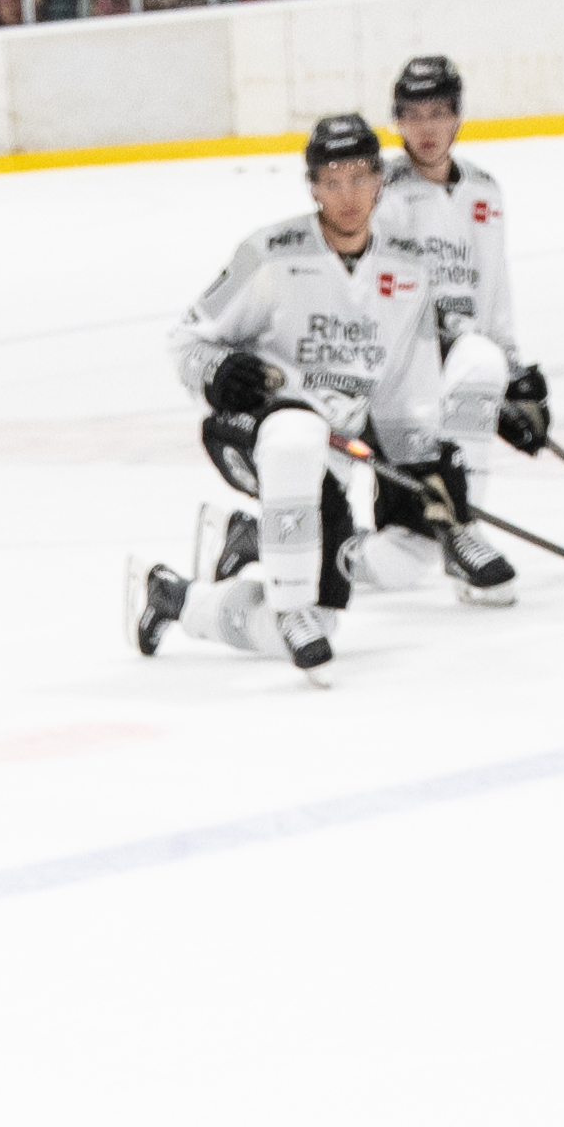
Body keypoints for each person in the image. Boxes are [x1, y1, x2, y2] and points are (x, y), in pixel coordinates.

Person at [128, 112, 524, 675]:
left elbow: (403, 397)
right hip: (254, 432)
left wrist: (430, 466)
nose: (348, 195)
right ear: (312, 185)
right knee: (296, 436)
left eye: (360, 177)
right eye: (332, 180)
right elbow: (185, 341)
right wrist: (217, 372)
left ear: (379, 181)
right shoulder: (271, 254)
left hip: (335, 450)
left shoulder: (407, 272)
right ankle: (290, 602)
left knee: (371, 585)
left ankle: (175, 597)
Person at [375, 50, 526, 369]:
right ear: (398, 121)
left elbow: (495, 284)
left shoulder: (484, 190)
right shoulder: (380, 192)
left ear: (457, 115)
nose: (425, 128)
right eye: (412, 115)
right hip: (408, 364)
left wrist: (509, 361)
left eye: (437, 113)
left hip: (476, 360)